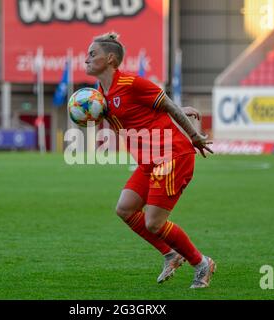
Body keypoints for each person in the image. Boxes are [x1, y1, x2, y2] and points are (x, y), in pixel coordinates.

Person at [84, 32, 215, 288]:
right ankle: (170, 253)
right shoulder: (100, 94)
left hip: (172, 156)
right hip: (149, 162)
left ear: (110, 59)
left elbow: (164, 103)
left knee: (154, 223)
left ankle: (202, 264)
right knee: (125, 208)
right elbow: (144, 110)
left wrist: (195, 136)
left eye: (92, 54)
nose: (86, 59)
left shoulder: (132, 83)